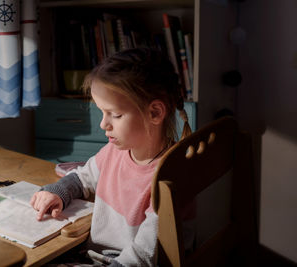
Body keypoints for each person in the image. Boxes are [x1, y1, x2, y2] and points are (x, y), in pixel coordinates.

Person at [30, 47, 195, 266]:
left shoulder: (168, 176)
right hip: (98, 256)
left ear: (154, 113)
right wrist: (58, 193)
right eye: (102, 112)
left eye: (115, 115)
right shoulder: (115, 152)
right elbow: (83, 178)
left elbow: (144, 256)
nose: (103, 124)